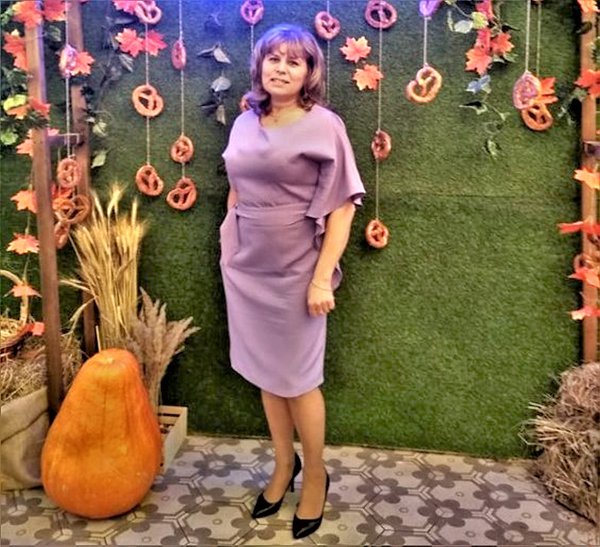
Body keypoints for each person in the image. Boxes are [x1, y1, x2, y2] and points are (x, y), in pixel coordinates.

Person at [219, 23, 365, 540]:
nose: (281, 68)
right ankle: (285, 465)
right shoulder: (244, 121)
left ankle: (316, 475)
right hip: (247, 265)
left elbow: (343, 208)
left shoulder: (324, 125)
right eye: (273, 58)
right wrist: (229, 240)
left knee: (300, 379)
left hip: (299, 267)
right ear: (260, 64)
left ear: (309, 72)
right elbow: (237, 187)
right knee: (267, 373)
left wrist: (322, 279)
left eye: (294, 61)